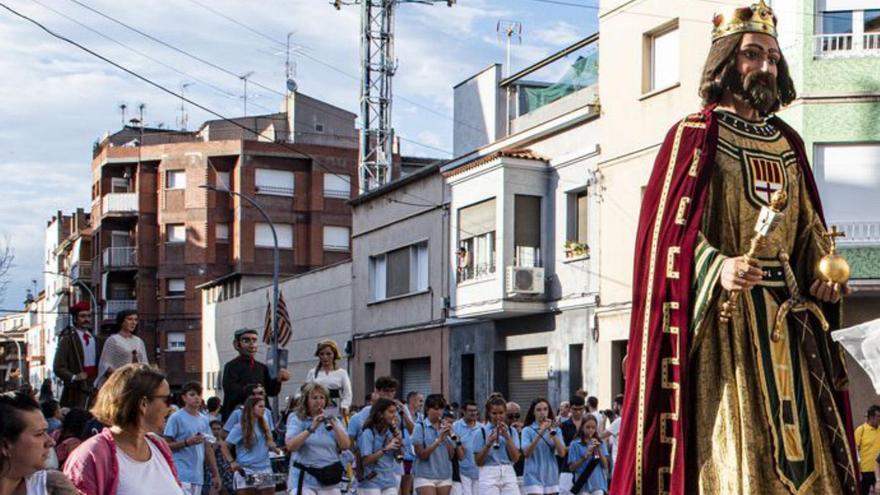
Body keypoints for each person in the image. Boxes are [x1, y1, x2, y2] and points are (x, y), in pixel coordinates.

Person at [612, 2, 860, 493]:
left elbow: (809, 226)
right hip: (726, 327)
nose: (766, 65)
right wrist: (717, 266)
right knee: (736, 452)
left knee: (807, 452)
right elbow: (666, 237)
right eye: (752, 54)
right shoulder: (694, 137)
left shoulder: (788, 142)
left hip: (787, 320)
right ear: (726, 60)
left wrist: (825, 271)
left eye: (772, 56)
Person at [64, 363, 183, 495]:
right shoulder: (92, 455)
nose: (171, 407)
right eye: (167, 399)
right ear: (143, 403)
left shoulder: (159, 446)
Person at [0, 391, 80, 495]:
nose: (51, 442)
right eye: (39, 434)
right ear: (5, 446)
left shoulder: (52, 487)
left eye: (46, 432)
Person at [285, 382, 350, 495]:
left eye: (322, 398)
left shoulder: (333, 419)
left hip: (329, 477)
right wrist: (311, 428)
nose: (318, 401)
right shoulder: (297, 418)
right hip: (305, 479)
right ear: (306, 400)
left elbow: (345, 446)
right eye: (314, 398)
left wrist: (334, 425)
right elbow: (290, 446)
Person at [220, 328, 290, 421]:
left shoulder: (262, 367)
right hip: (240, 417)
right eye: (246, 340)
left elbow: (272, 391)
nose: (251, 344)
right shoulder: (231, 366)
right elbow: (231, 390)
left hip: (261, 417)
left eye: (254, 340)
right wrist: (253, 390)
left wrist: (278, 380)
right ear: (236, 344)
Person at [164, 381, 221, 495]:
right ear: (184, 398)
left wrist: (215, 474)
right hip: (180, 473)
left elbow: (207, 447)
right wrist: (187, 442)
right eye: (192, 394)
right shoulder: (176, 418)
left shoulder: (204, 419)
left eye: (199, 394)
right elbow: (165, 445)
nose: (197, 398)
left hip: (197, 476)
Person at [221, 396, 279, 494]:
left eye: (264, 406)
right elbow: (225, 446)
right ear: (252, 408)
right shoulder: (241, 427)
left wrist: (274, 448)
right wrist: (232, 462)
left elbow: (267, 443)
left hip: (265, 468)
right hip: (247, 469)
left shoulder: (264, 425)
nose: (263, 409)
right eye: (260, 406)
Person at [52, 301, 104, 409]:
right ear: (75, 319)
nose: (87, 319)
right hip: (76, 390)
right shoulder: (68, 339)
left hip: (95, 387)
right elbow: (58, 367)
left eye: (89, 316)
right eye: (83, 316)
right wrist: (74, 377)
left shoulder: (97, 340)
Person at [411, 395, 463, 495]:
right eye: (435, 409)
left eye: (441, 409)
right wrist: (438, 440)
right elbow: (421, 455)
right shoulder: (420, 427)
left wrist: (451, 436)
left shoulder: (446, 427)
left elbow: (451, 456)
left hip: (444, 474)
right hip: (425, 475)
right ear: (427, 409)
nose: (439, 412)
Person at [471, 396, 519, 494]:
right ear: (489, 414)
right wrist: (488, 444)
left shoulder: (511, 431)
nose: (498, 417)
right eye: (494, 413)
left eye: (501, 413)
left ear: (505, 412)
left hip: (508, 471)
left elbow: (515, 458)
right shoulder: (480, 432)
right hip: (488, 472)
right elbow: (478, 462)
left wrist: (507, 437)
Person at [358, 398, 405, 495]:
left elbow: (399, 459)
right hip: (371, 481)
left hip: (389, 480)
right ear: (380, 414)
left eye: (395, 412)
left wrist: (399, 444)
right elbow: (366, 461)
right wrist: (386, 448)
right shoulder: (368, 433)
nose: (394, 416)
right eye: (391, 412)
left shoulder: (391, 432)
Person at [520, 398, 565, 495]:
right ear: (533, 412)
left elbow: (562, 453)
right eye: (539, 410)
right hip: (533, 475)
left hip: (551, 475)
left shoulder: (556, 430)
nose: (542, 413)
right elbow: (526, 453)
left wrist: (553, 434)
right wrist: (541, 432)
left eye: (545, 409)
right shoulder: (527, 430)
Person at [95, 309, 149, 389]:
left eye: (135, 320)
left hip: (137, 384)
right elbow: (105, 365)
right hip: (119, 384)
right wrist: (122, 376)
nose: (133, 322)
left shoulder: (139, 341)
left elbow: (145, 363)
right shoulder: (113, 340)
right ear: (121, 321)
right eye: (130, 319)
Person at [304, 340, 352, 416]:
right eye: (322, 354)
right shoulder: (312, 372)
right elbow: (306, 392)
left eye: (328, 354)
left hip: (335, 407)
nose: (325, 357)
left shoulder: (342, 373)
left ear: (334, 355)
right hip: (317, 408)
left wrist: (345, 406)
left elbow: (347, 393)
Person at [567, 415, 607, 495]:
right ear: (582, 427)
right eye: (587, 427)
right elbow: (571, 468)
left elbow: (605, 466)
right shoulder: (575, 444)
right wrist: (585, 457)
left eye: (593, 427)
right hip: (582, 483)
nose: (591, 430)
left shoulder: (600, 443)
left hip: (597, 483)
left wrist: (598, 450)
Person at [451, 401, 481, 495]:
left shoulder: (482, 428)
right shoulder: (455, 427)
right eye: (470, 410)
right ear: (463, 411)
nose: (473, 413)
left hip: (478, 472)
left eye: (475, 410)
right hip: (462, 472)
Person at [558, 396, 586, 493]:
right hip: (567, 466)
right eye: (575, 409)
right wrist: (576, 447)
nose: (578, 412)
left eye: (580, 409)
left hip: (586, 467)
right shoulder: (564, 426)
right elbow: (560, 449)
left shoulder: (589, 424)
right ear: (570, 408)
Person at [402, 391, 425, 495]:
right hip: (403, 455)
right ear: (412, 401)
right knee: (402, 486)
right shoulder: (400, 414)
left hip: (415, 456)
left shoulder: (421, 417)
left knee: (412, 485)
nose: (422, 403)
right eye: (420, 401)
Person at [855, 405, 880, 495]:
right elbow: (855, 451)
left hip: (878, 471)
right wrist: (858, 471)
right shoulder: (860, 430)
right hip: (865, 471)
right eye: (878, 416)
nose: (879, 419)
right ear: (871, 417)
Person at [206, 420, 235, 495]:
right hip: (212, 471)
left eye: (218, 429)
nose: (216, 431)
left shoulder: (226, 442)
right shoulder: (208, 443)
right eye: (214, 429)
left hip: (225, 472)